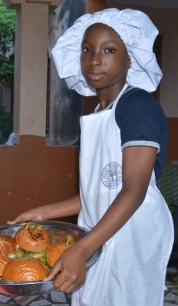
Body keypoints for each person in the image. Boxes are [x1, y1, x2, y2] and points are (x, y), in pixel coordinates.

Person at [9, 8, 173, 306]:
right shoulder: (98, 114)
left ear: (130, 57)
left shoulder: (137, 106)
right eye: (87, 49)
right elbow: (98, 192)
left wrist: (82, 250)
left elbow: (134, 191)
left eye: (109, 50)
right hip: (100, 229)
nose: (95, 59)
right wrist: (44, 213)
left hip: (132, 233)